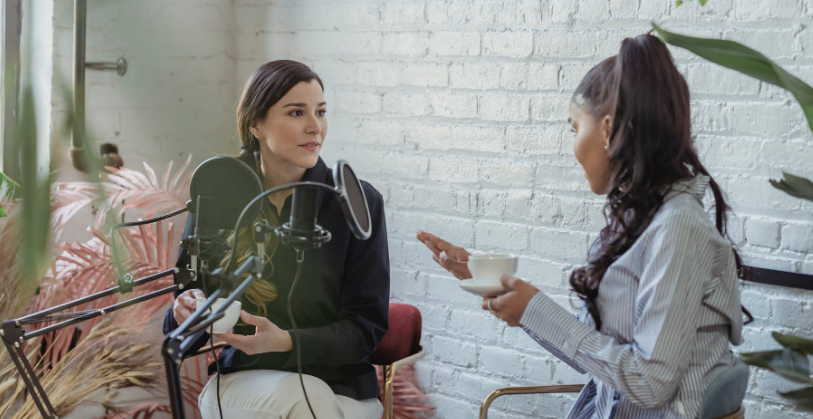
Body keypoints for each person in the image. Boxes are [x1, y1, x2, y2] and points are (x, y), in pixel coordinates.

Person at [417, 34, 750, 419]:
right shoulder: (636, 223)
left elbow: (650, 382)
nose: (573, 146)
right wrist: (502, 290)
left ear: (607, 130)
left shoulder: (678, 229)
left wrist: (535, 307)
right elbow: (593, 356)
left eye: (575, 128)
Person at [163, 60, 389, 419]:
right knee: (307, 400)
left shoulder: (357, 202)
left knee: (313, 400)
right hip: (243, 383)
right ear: (256, 123)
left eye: (321, 111)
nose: (315, 127)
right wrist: (184, 311)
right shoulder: (219, 192)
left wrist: (286, 340)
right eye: (297, 112)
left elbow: (366, 329)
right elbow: (183, 312)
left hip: (344, 390)